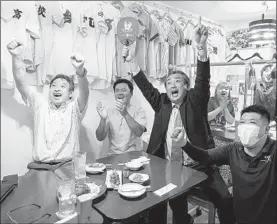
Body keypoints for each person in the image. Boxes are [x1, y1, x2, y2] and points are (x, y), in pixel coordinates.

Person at [122, 17, 234, 224]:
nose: (172, 85)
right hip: (169, 166)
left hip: (200, 165)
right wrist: (131, 61)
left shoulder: (195, 100)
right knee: (163, 200)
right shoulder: (162, 102)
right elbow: (146, 86)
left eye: (178, 82)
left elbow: (203, 80)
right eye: (168, 83)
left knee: (226, 199)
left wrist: (201, 50)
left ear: (186, 86)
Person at [179, 105, 277, 224]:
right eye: (242, 122)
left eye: (252, 123)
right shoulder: (233, 149)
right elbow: (205, 157)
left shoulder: (274, 151)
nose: (246, 127)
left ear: (266, 130)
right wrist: (184, 143)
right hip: (240, 218)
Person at [7, 40, 89, 169]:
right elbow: (21, 84)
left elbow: (85, 92)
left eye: (63, 86)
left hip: (67, 167)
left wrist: (80, 71)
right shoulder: (40, 105)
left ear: (70, 93)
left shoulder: (74, 109)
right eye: (54, 86)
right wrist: (16, 57)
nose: (57, 89)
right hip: (40, 167)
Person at [96, 78, 147, 155]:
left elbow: (139, 132)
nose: (120, 93)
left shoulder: (139, 111)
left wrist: (125, 113)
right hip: (113, 156)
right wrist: (103, 119)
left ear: (131, 93)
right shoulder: (108, 112)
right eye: (117, 90)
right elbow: (100, 137)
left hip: (134, 156)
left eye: (123, 90)